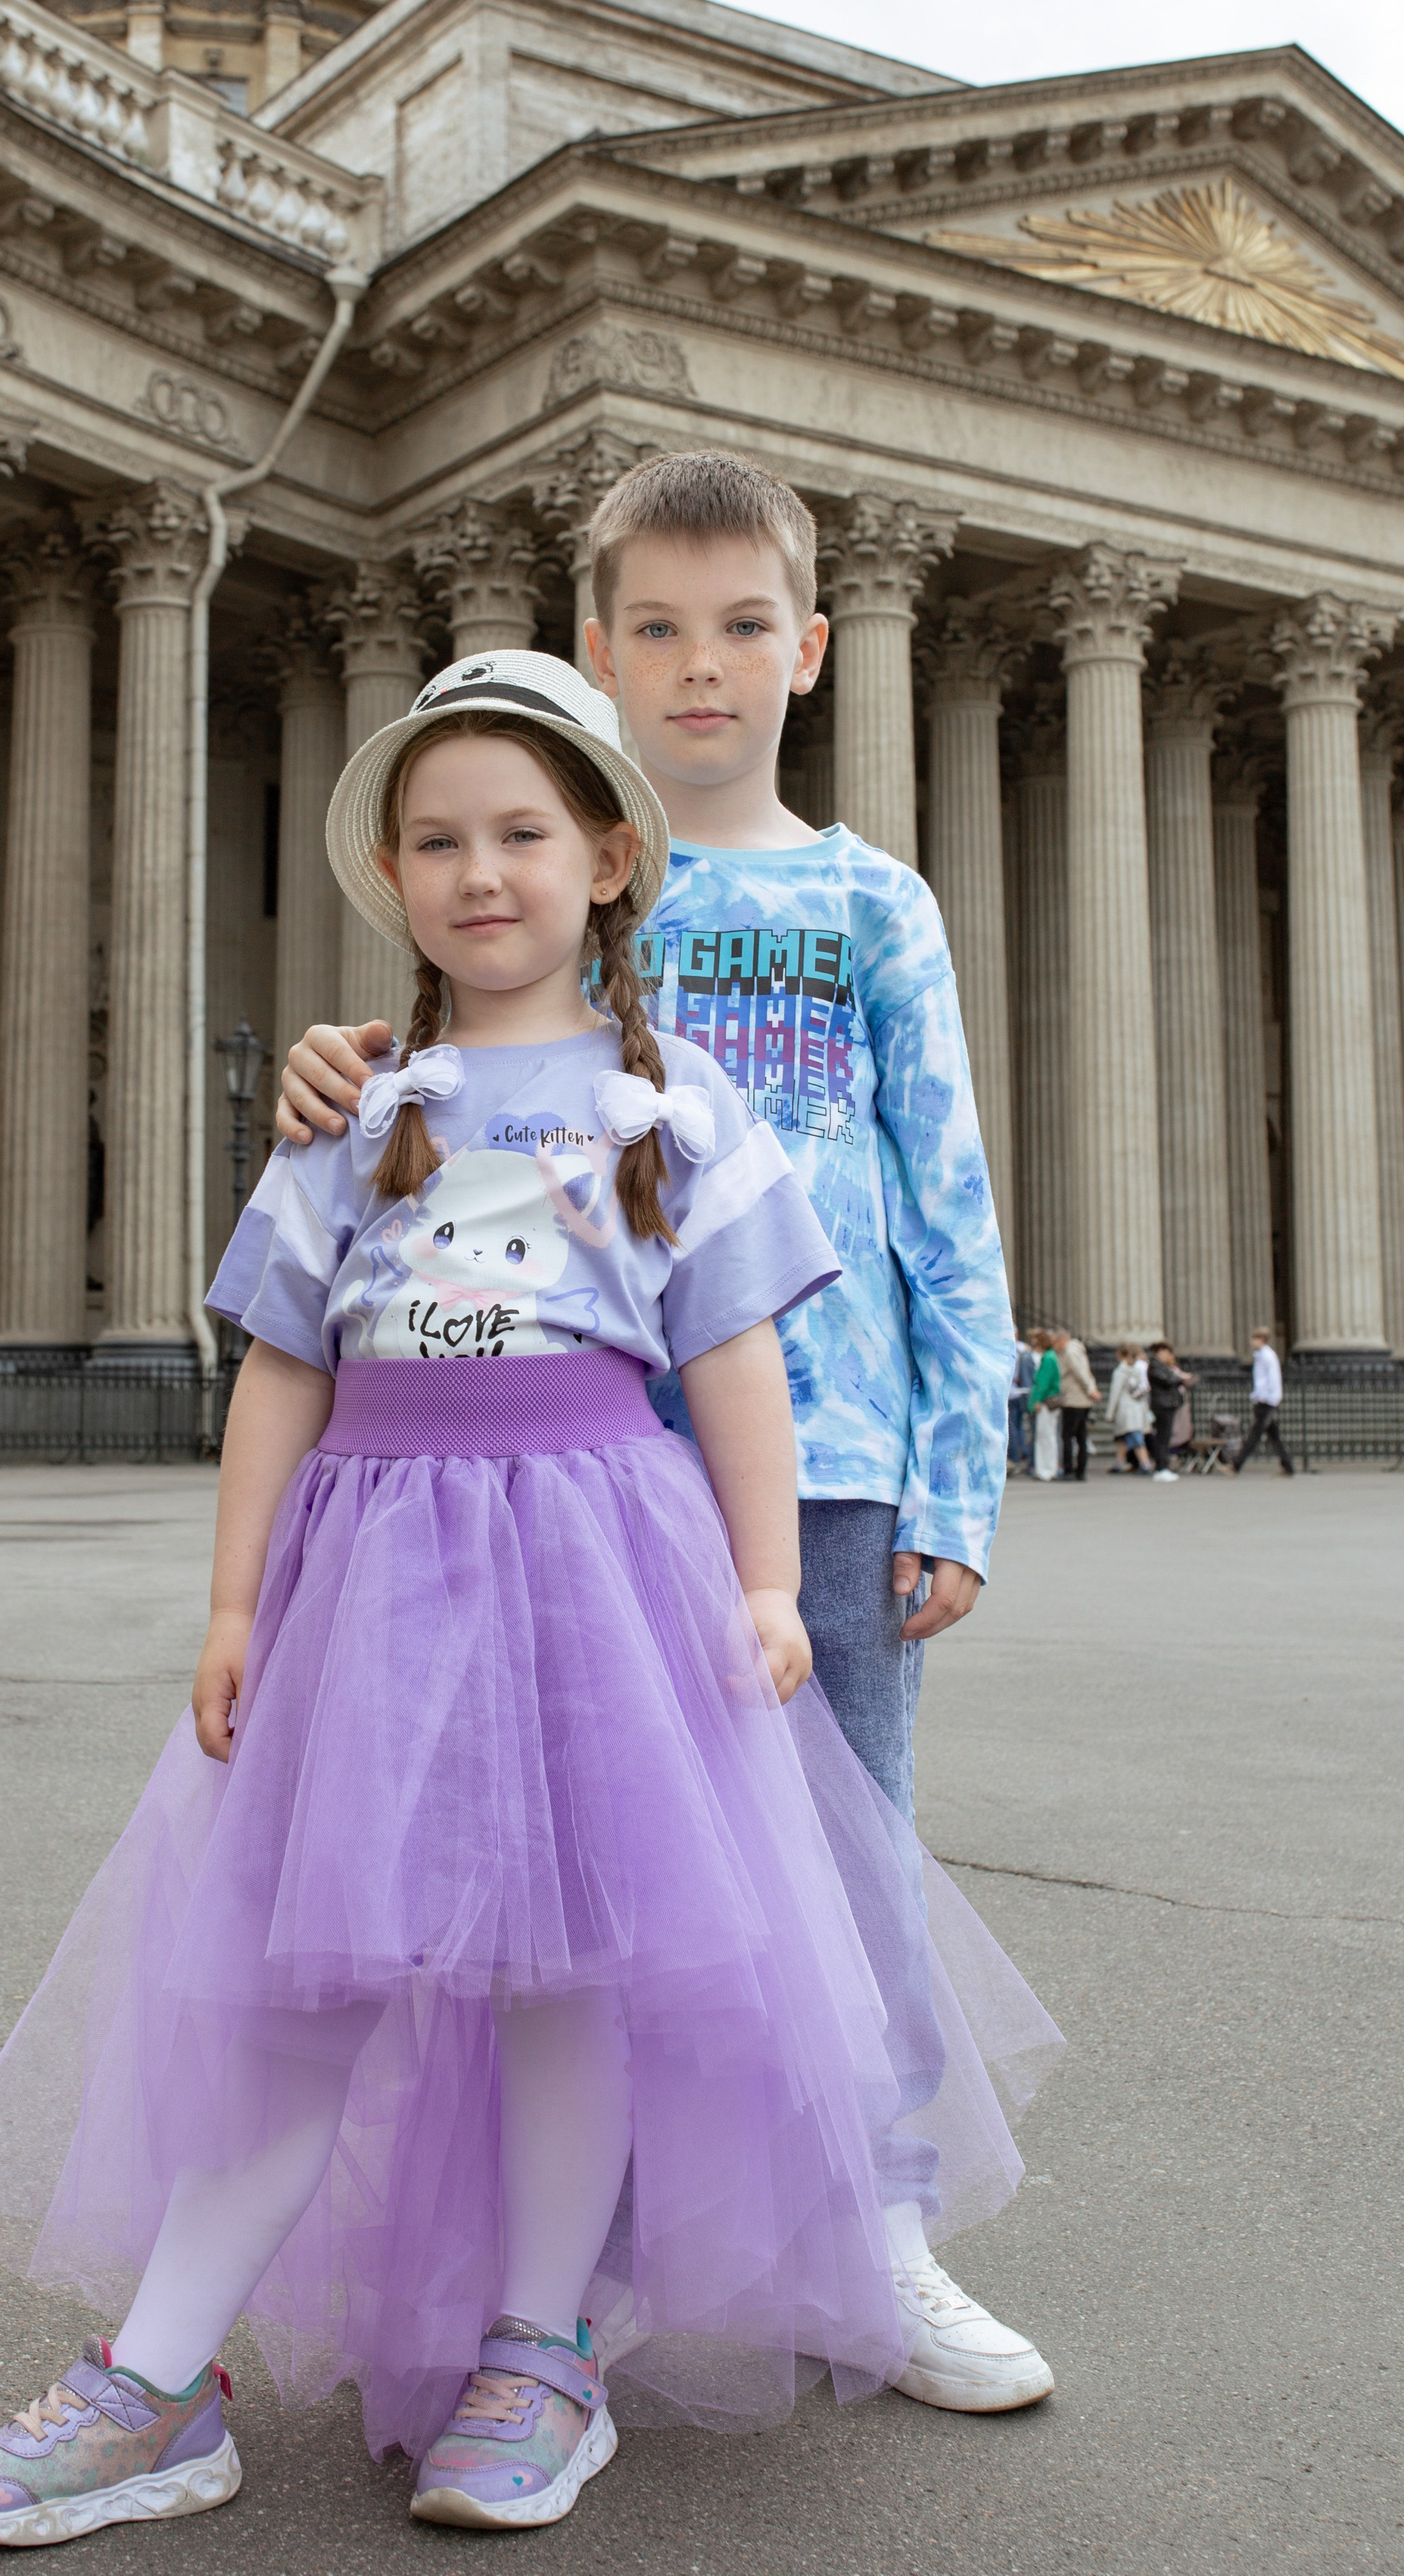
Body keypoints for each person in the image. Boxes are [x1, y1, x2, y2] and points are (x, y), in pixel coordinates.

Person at [0, 658, 1061, 2550]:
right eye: (436, 838)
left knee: (573, 1974)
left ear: (610, 858)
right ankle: (159, 2370)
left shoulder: (667, 1097)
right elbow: (280, 1364)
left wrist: (771, 1581)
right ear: (389, 870)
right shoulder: (360, 1106)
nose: (478, 871)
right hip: (370, 1578)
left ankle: (540, 2355)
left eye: (520, 832)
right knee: (301, 1969)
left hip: (606, 1565)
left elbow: (742, 1363)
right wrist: (229, 1603)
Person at [272, 454, 1045, 2405]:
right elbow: (450, 1044)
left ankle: (877, 2222)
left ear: (807, 645)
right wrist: (339, 1055)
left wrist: (957, 1474)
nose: (699, 669)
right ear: (599, 652)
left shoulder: (872, 898)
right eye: (655, 630)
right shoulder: (547, 858)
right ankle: (581, 2265)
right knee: (575, 1869)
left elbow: (943, 1192)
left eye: (738, 627)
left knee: (842, 1851)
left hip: (837, 1451)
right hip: (583, 1470)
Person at [1231, 1328, 1295, 1476]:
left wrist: (1267, 1398)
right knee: (1274, 1435)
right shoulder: (1261, 1356)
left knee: (1254, 1434)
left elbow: (1272, 1380)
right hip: (1263, 1399)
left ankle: (1237, 1464)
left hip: (1266, 1401)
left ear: (1261, 1339)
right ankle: (1288, 1466)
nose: (1251, 1341)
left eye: (1254, 1338)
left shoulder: (1268, 1356)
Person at [1146, 1341, 1193, 1481]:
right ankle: (1161, 1468)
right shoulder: (1155, 1365)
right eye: (1167, 1353)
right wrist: (1180, 1377)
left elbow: (1172, 1378)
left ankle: (1162, 1467)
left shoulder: (1161, 1366)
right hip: (1162, 1405)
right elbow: (1169, 1379)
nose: (1169, 1356)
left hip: (1168, 1404)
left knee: (1165, 1438)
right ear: (1161, 1352)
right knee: (1163, 1438)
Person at [1056, 1327, 1097, 1483]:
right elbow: (1087, 1372)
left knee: (1067, 1436)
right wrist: (1091, 1388)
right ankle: (1081, 1471)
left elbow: (1079, 1372)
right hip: (1083, 1399)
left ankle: (1069, 1470)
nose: (1055, 1347)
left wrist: (1089, 1388)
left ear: (1061, 1340)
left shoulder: (1070, 1352)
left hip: (1073, 1399)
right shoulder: (1079, 1349)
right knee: (1081, 1437)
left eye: (1055, 1343)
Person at [1104, 1345, 1153, 1475]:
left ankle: (1145, 1465)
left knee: (1136, 1439)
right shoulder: (1137, 1371)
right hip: (1137, 1409)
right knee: (1123, 1439)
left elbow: (1115, 1393)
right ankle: (1118, 1464)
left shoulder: (1121, 1372)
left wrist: (1110, 1413)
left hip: (1126, 1410)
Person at [1028, 1330, 1061, 1480]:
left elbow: (1043, 1382)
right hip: (1049, 1401)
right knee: (1047, 1436)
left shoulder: (1048, 1358)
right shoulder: (1051, 1356)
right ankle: (1047, 1468)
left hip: (1046, 1402)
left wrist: (1037, 1401)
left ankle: (1045, 1470)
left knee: (1045, 1436)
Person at [1007, 1328, 1035, 1476]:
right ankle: (1023, 1452)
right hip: (1019, 1391)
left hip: (1012, 1392)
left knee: (1013, 1426)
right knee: (1019, 1426)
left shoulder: (1007, 1348)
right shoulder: (1024, 1348)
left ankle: (1015, 1456)